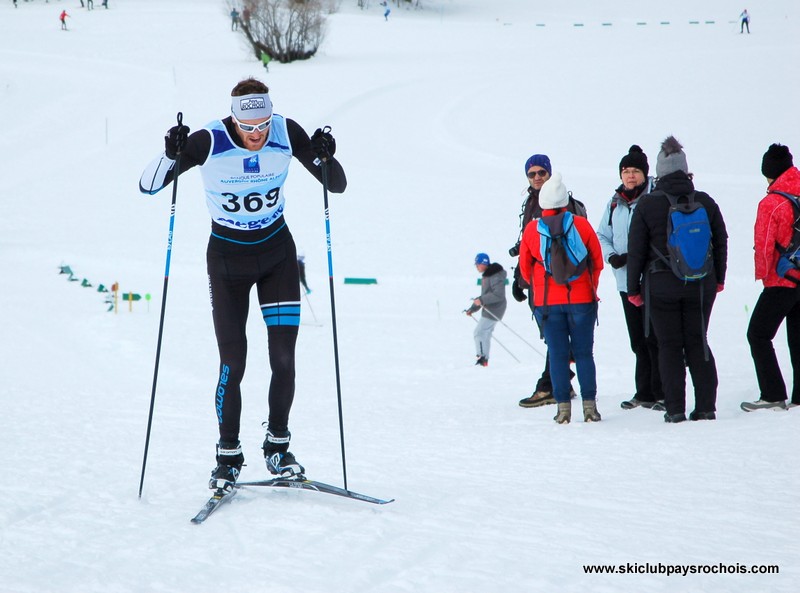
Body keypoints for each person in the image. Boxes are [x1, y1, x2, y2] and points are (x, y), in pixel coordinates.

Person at [138, 78, 347, 493]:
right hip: (227, 262)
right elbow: (148, 185)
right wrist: (170, 154)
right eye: (248, 126)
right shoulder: (209, 140)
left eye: (263, 125)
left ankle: (278, 446)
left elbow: (336, 184)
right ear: (234, 119)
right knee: (233, 363)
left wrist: (325, 158)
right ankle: (228, 454)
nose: (257, 134)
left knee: (284, 359)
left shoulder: (287, 132)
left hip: (277, 258)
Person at [627, 137, 728, 423]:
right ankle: (706, 406)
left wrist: (633, 288)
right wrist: (718, 278)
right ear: (686, 170)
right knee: (698, 341)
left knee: (669, 346)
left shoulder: (647, 204)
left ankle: (674, 409)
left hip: (661, 285)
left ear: (659, 172)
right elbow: (721, 240)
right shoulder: (705, 202)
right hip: (701, 284)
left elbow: (636, 251)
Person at [519, 172, 604, 423]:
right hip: (581, 300)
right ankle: (590, 407)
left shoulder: (533, 229)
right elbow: (597, 262)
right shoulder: (582, 225)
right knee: (584, 354)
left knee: (557, 354)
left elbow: (524, 269)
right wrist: (591, 289)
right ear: (564, 203)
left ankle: (563, 410)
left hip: (547, 304)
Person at [512, 154, 585, 408]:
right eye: (531, 174)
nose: (536, 178)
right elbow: (527, 245)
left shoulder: (563, 202)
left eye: (541, 173)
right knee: (552, 334)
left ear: (550, 173)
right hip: (537, 281)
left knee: (555, 333)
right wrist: (519, 278)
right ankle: (560, 381)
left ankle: (549, 386)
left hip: (559, 282)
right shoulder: (532, 203)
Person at [597, 145, 664, 411]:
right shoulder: (615, 201)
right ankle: (644, 392)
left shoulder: (654, 198)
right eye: (626, 171)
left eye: (635, 171)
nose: (630, 176)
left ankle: (660, 392)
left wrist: (638, 257)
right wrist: (612, 256)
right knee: (638, 340)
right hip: (625, 280)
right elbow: (602, 234)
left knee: (655, 338)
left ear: (645, 174)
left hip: (650, 280)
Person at [741, 144, 800, 412]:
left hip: (781, 280)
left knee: (758, 334)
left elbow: (764, 244)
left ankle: (773, 394)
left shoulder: (772, 202)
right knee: (797, 337)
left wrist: (763, 274)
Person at [465, 253, 507, 367]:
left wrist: (482, 300)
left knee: (479, 332)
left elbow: (498, 295)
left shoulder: (495, 276)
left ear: (483, 263)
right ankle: (484, 359)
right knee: (485, 333)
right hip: (490, 309)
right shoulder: (488, 275)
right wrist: (472, 309)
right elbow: (483, 296)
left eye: (478, 264)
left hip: (495, 310)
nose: (476, 267)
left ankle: (481, 357)